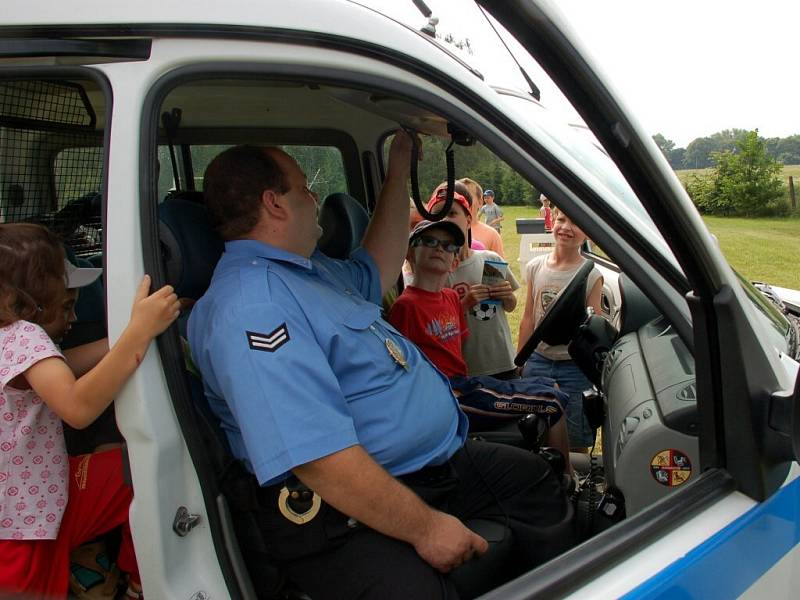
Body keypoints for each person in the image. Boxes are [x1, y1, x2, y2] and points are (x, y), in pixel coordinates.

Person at [188, 133, 573, 599]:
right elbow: (317, 458)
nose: (313, 197)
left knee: (534, 484)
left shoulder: (310, 271)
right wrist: (427, 529)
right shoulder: (252, 306)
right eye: (303, 188)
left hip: (428, 465)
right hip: (342, 513)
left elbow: (378, 264)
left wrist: (398, 169)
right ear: (274, 203)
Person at [0, 223, 181, 598]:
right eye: (65, 303)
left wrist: (125, 334)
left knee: (135, 471)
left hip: (32, 500)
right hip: (25, 529)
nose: (74, 315)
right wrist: (138, 335)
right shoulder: (25, 336)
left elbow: (61, 363)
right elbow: (78, 409)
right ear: (33, 299)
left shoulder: (10, 336)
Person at [388, 219, 571, 466]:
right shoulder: (406, 307)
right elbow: (402, 368)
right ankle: (565, 476)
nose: (440, 248)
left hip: (466, 384)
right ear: (410, 253)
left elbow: (459, 349)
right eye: (429, 242)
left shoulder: (452, 298)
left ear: (455, 261)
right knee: (551, 402)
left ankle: (552, 467)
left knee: (554, 387)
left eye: (448, 246)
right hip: (448, 396)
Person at [518, 207, 604, 451]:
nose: (566, 227)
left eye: (576, 223)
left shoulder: (591, 274)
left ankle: (573, 480)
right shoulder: (536, 266)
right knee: (535, 426)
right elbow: (528, 317)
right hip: (539, 360)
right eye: (562, 219)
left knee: (574, 433)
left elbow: (592, 328)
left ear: (587, 233)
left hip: (573, 367)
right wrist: (521, 360)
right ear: (552, 221)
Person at [426, 187, 520, 379]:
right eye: (438, 215)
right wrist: (465, 304)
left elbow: (510, 306)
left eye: (451, 213)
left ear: (468, 220)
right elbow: (435, 328)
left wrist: (508, 296)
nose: (445, 220)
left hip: (503, 362)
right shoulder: (436, 273)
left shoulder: (490, 259)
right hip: (465, 370)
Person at [458, 178, 504, 257]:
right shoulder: (445, 231)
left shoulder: (492, 235)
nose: (462, 201)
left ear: (480, 202)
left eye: (467, 197)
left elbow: (499, 268)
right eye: (458, 197)